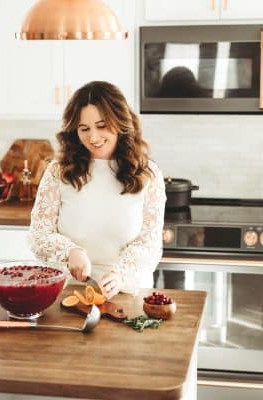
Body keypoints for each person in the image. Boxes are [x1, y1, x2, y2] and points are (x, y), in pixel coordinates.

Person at [28, 81, 166, 300]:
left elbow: (149, 243)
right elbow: (39, 234)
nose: (93, 137)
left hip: (127, 294)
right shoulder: (58, 171)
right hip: (68, 291)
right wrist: (70, 252)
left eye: (102, 126)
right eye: (84, 129)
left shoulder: (148, 174)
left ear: (120, 122)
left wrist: (120, 275)